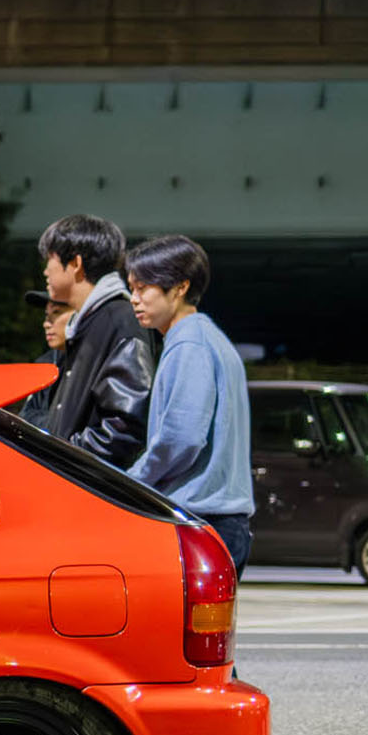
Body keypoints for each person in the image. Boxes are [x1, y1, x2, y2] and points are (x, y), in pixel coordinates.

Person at [122, 235, 255, 574]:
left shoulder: (189, 345)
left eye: (143, 288)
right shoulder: (210, 338)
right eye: (132, 288)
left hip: (199, 520)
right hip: (219, 522)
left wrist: (131, 483)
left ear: (180, 287)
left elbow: (181, 438)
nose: (134, 299)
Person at [36, 213, 151, 468]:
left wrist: (63, 457)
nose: (45, 271)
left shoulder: (120, 320)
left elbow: (124, 429)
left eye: (50, 260)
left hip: (80, 483)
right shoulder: (88, 322)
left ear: (75, 263)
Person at [18, 289, 74, 423]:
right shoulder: (44, 364)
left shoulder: (96, 362)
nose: (46, 324)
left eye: (56, 312)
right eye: (46, 315)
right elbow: (25, 416)